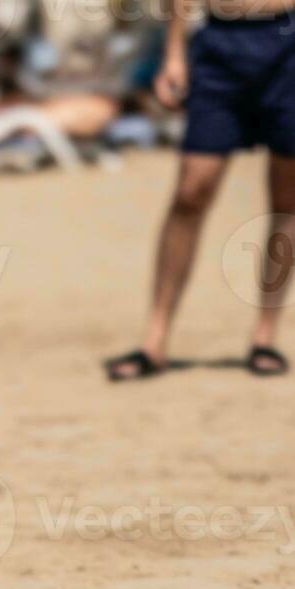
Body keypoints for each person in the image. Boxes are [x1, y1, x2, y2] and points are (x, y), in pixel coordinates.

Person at [105, 0, 295, 380]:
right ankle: (154, 340)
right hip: (219, 42)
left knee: (287, 200)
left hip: (287, 41)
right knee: (192, 190)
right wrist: (174, 54)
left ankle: (265, 335)